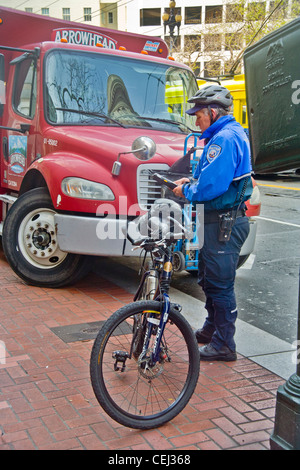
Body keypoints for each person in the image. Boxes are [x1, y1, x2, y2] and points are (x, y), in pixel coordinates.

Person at [173, 85, 253, 362]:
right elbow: (213, 177)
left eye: (199, 114)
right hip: (219, 221)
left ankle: (224, 344)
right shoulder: (225, 135)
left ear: (213, 111)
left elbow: (214, 186)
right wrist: (191, 181)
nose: (196, 120)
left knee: (220, 284)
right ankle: (212, 328)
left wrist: (189, 191)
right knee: (207, 277)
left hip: (223, 223)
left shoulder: (224, 140)